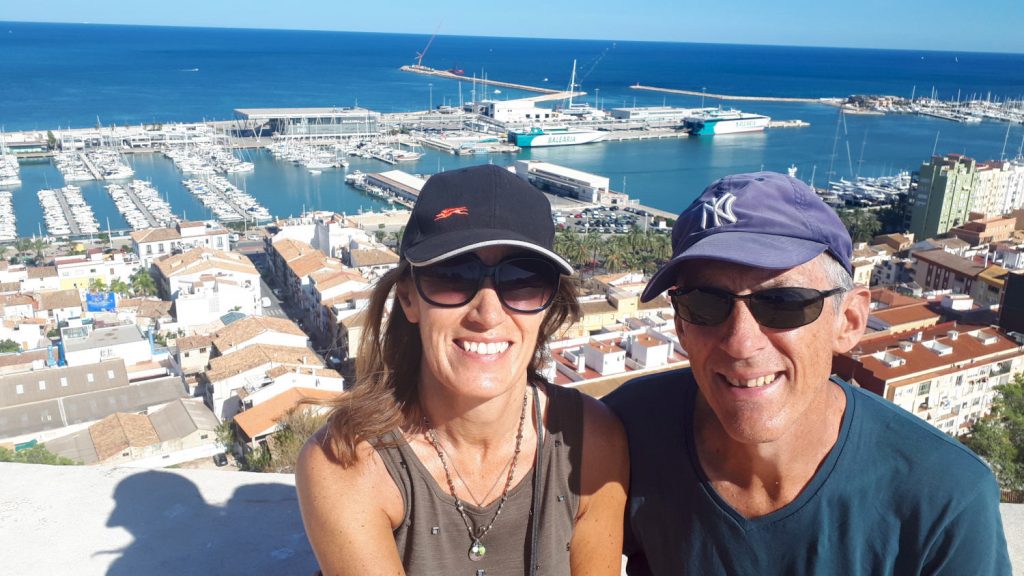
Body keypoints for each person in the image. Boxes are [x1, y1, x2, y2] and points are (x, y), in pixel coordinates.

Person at [603, 172, 1011, 575]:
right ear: (680, 326)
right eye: (705, 303)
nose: (741, 343)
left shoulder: (944, 494)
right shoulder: (623, 431)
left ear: (849, 320)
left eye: (783, 302)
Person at [297, 164, 628, 576]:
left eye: (522, 280)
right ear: (409, 299)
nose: (488, 314)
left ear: (548, 305)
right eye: (453, 277)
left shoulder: (591, 442)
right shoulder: (348, 463)